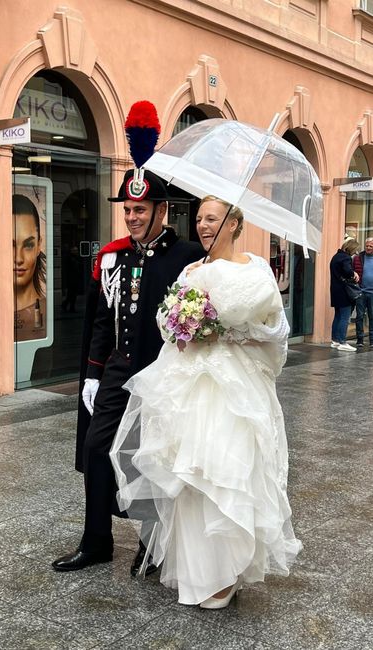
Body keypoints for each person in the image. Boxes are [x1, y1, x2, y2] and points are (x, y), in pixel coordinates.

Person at [110, 195, 302, 609]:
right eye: (199, 218)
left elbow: (275, 330)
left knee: (226, 472)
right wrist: (186, 323)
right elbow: (165, 323)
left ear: (234, 223)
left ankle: (227, 572)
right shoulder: (191, 270)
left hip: (234, 389)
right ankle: (198, 573)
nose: (203, 226)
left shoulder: (256, 270)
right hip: (189, 388)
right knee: (190, 478)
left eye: (212, 218)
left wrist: (225, 331)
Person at [51, 168, 203, 574]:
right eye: (128, 209)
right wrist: (94, 374)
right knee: (96, 448)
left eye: (141, 209)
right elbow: (103, 320)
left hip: (164, 373)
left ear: (162, 210)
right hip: (119, 371)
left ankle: (151, 545)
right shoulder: (115, 257)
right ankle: (96, 540)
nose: (133, 216)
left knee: (153, 457)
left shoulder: (188, 257)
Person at [13, 194, 47, 342]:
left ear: (39, 245)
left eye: (28, 245)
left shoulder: (47, 311)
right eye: (11, 245)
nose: (18, 258)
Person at [329, 238, 360, 352]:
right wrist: (354, 274)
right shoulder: (346, 258)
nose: (355, 252)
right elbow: (347, 271)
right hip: (344, 292)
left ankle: (335, 340)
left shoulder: (336, 256)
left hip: (335, 291)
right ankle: (342, 341)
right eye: (355, 250)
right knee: (344, 317)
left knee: (337, 316)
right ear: (351, 248)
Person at [353, 237, 373, 347]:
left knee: (372, 317)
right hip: (361, 291)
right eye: (367, 246)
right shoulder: (358, 258)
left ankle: (372, 340)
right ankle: (360, 340)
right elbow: (352, 271)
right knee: (359, 316)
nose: (368, 248)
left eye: (371, 246)